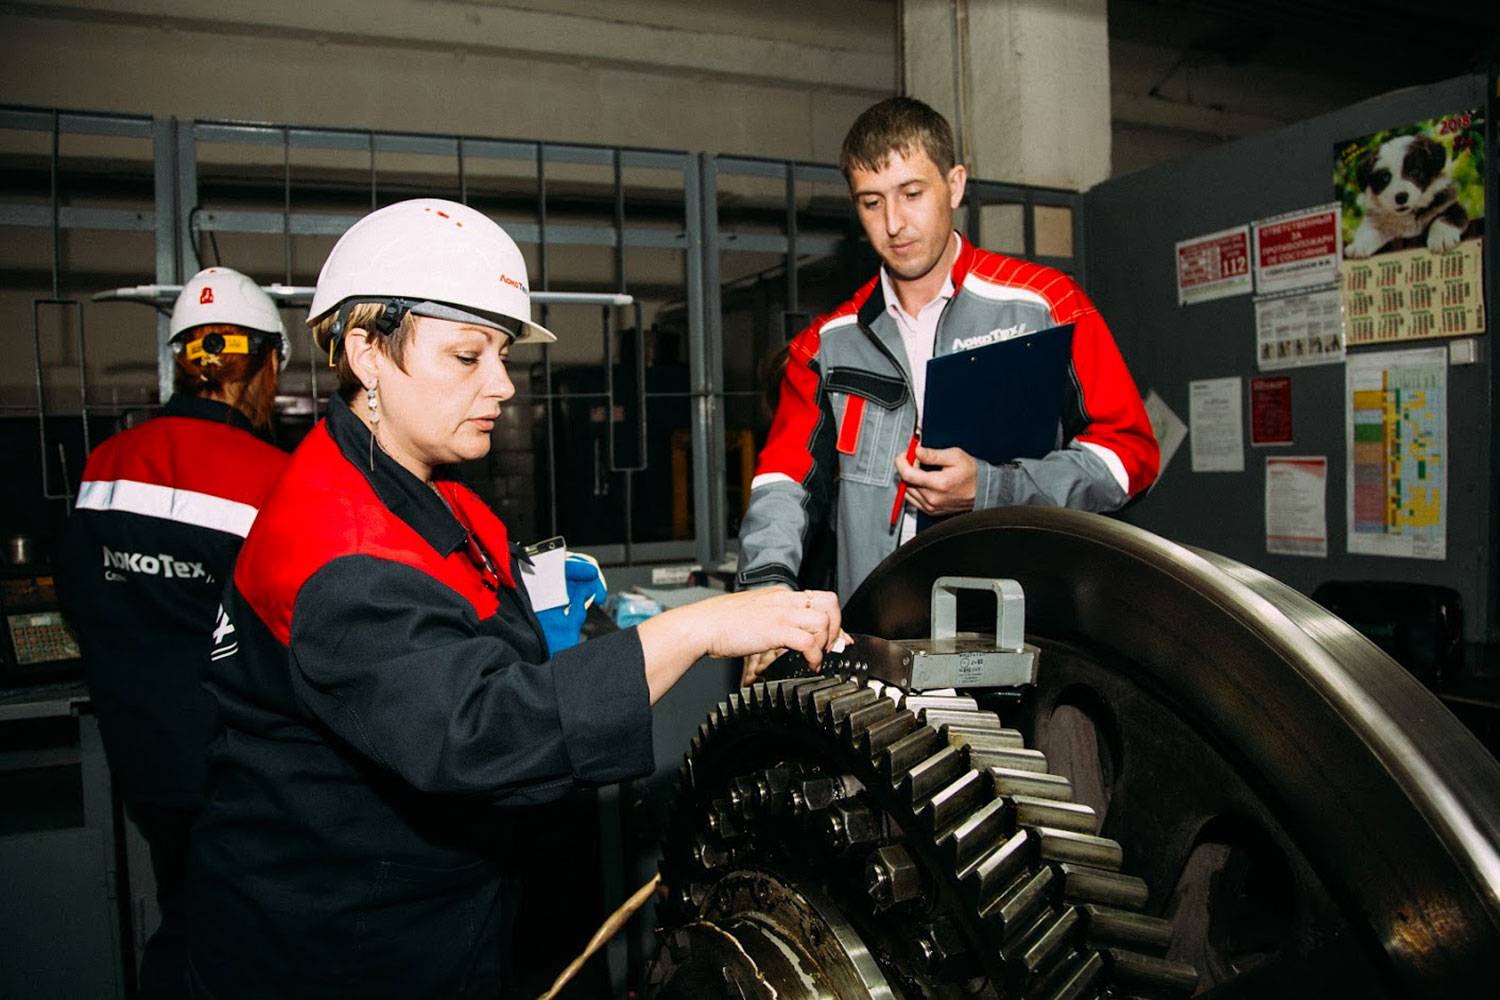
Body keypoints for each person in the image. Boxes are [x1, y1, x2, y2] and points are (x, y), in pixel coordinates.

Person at [183, 198, 845, 999]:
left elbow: (504, 636)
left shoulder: (441, 497)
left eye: (500, 353)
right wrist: (695, 629)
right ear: (366, 353)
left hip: (448, 905)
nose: (501, 384)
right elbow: (480, 733)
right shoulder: (336, 552)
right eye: (468, 356)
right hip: (346, 942)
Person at [737, 96, 1159, 679]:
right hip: (876, 647)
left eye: (912, 193)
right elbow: (783, 484)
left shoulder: (1046, 306)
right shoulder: (826, 346)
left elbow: (1129, 454)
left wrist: (993, 487)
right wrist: (765, 599)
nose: (894, 223)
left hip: (1022, 644)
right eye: (871, 202)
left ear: (955, 185)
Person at [57, 267, 290, 998]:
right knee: (251, 944)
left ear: (187, 359)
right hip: (240, 774)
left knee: (188, 920)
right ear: (266, 364)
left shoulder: (106, 466)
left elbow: (85, 603)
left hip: (147, 763)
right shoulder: (272, 478)